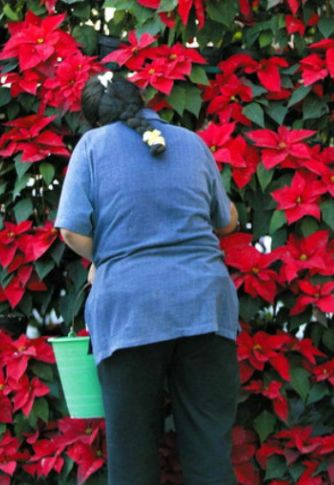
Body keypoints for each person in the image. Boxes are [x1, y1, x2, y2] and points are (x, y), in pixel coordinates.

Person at [54, 71, 241, 485]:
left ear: (95, 117)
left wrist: (105, 258)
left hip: (129, 313)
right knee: (210, 450)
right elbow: (225, 220)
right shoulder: (191, 142)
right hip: (204, 306)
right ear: (140, 100)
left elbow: (70, 231)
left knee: (132, 457)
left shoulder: (91, 147)